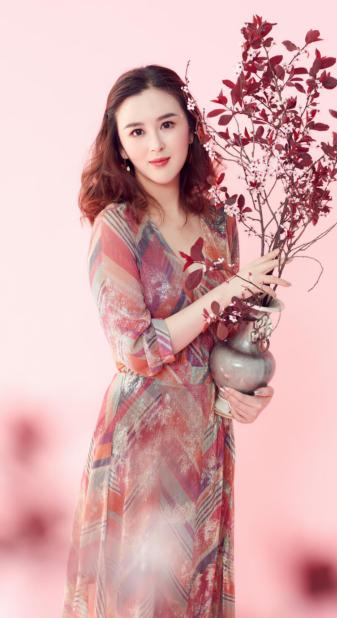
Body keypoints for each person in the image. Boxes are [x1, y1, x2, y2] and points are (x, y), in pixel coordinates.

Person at [62, 64, 290, 617]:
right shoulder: (116, 227)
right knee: (142, 595)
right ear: (120, 146)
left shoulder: (220, 223)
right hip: (141, 443)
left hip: (206, 432)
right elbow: (136, 351)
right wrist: (231, 288)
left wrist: (250, 390)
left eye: (167, 124)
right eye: (136, 132)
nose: (156, 144)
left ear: (190, 127)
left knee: (196, 590)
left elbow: (224, 341)